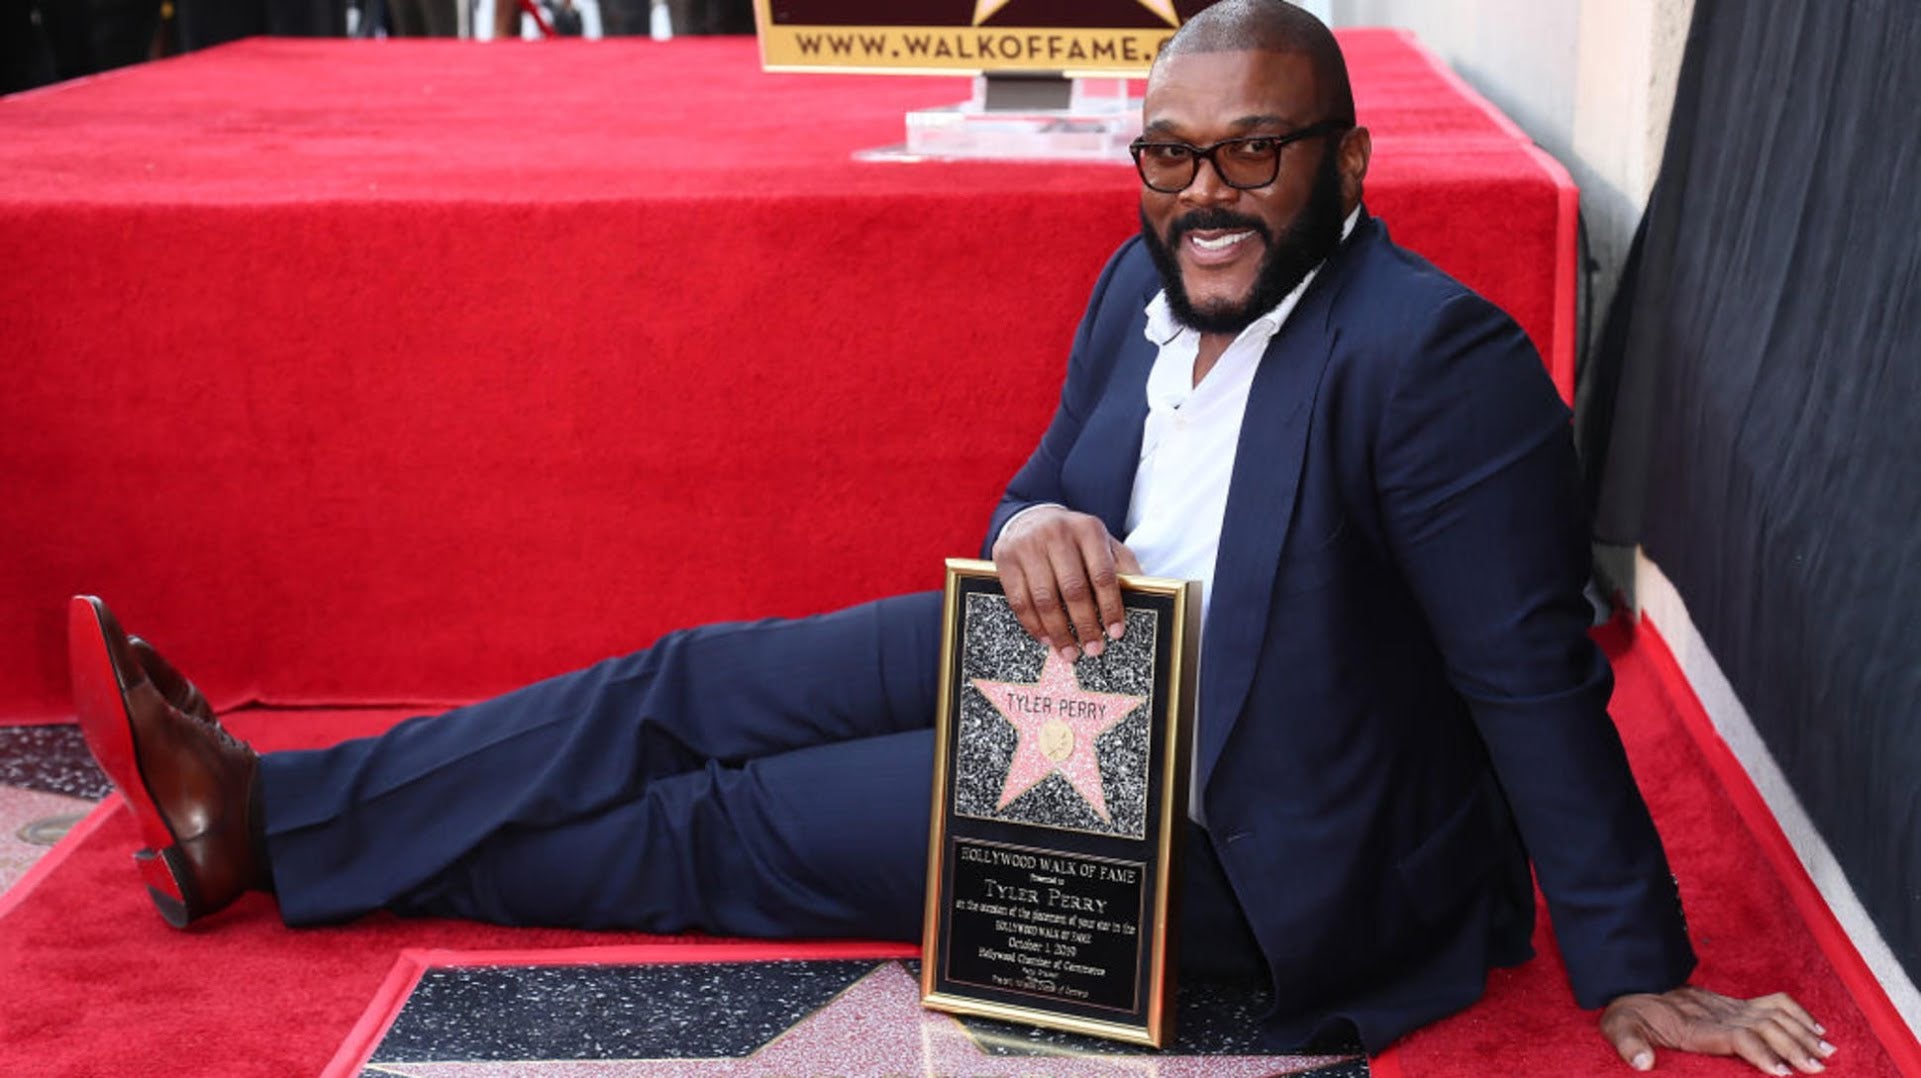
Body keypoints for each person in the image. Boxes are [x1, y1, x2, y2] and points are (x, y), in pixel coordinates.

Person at [66, 2, 1834, 1072]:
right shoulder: (1135, 287)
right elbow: (1032, 487)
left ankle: (295, 858)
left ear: (1349, 165)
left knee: (725, 829)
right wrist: (1048, 516)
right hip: (1069, 658)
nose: (1202, 196)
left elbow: (1531, 675)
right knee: (688, 682)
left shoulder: (1428, 358)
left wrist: (1640, 965)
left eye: (1253, 155)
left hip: (1228, 821)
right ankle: (263, 811)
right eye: (1168, 157)